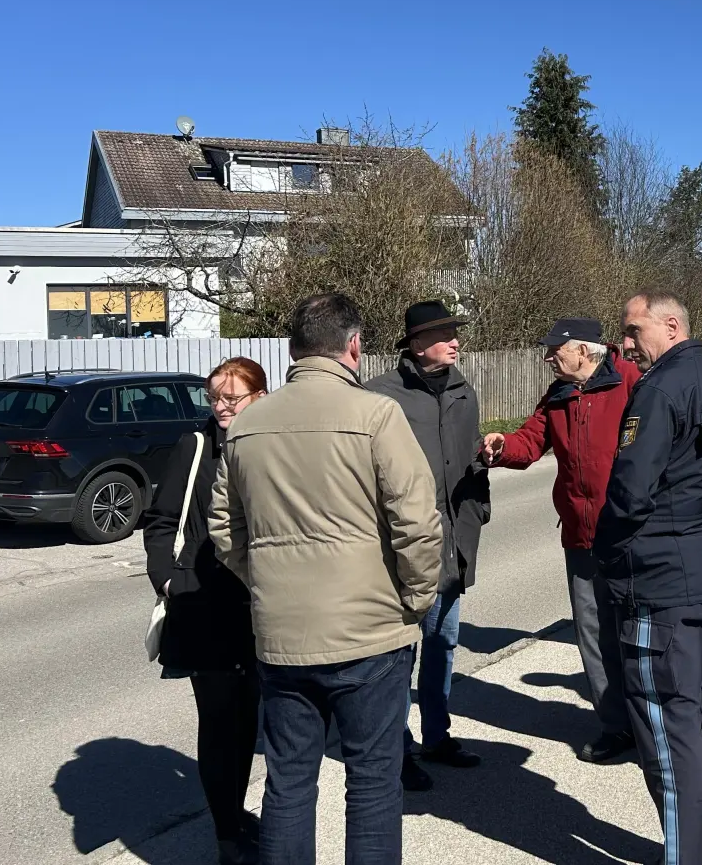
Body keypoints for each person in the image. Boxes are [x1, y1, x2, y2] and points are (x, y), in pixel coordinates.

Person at [210, 293, 442, 865]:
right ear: (354, 345)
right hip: (371, 632)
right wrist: (415, 598)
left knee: (288, 783)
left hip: (282, 635)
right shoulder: (376, 415)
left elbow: (224, 528)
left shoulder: (247, 425)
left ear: (294, 349)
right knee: (373, 783)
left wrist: (265, 582)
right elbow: (417, 521)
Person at [594, 290, 702, 865]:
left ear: (670, 324)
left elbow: (629, 491)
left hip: (660, 585)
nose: (625, 344)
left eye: (633, 331)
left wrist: (606, 554)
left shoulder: (660, 389)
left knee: (666, 728)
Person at [480, 316, 641, 764]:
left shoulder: (632, 382)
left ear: (583, 350)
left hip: (631, 534)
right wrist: (502, 445)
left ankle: (654, 724)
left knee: (638, 632)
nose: (548, 358)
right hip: (580, 536)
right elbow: (531, 441)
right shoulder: (559, 394)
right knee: (593, 633)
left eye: (556, 350)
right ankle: (615, 726)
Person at [145, 357, 268, 865]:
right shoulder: (194, 446)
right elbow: (160, 521)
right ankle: (226, 835)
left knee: (250, 720)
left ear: (260, 397)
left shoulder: (273, 444)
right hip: (204, 603)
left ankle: (237, 813)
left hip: (262, 605)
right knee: (219, 723)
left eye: (230, 397)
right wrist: (168, 580)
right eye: (214, 397)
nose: (220, 407)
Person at [366, 300, 491, 780]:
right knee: (402, 651)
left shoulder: (463, 391)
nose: (455, 341)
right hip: (402, 548)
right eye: (444, 334)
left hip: (453, 542)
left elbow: (473, 459)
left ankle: (437, 736)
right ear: (417, 344)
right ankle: (397, 750)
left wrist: (479, 509)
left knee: (444, 643)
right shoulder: (381, 397)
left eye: (455, 333)